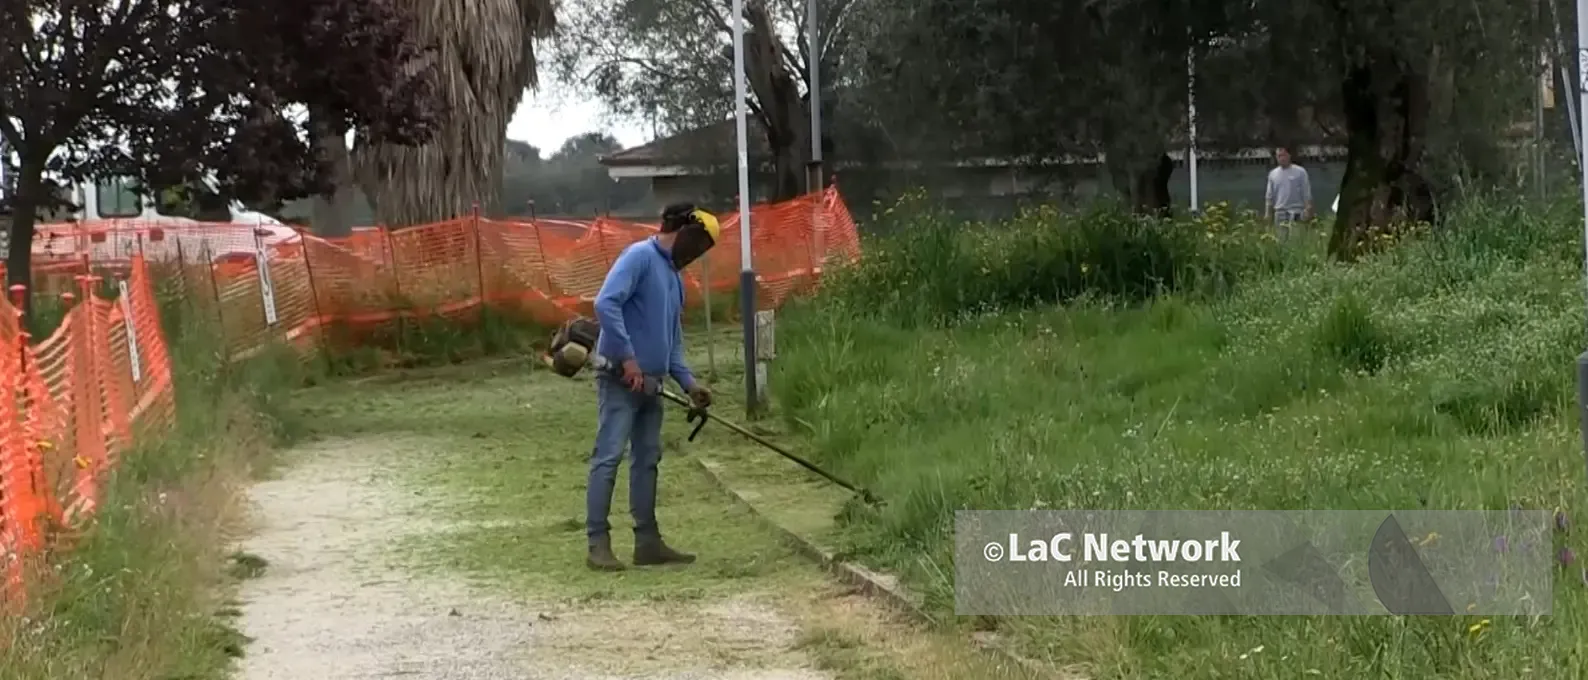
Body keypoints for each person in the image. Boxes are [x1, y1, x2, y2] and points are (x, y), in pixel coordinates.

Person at [584, 202, 719, 572]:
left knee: (647, 461)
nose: (698, 254)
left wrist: (690, 385)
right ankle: (598, 542)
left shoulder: (674, 278)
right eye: (699, 244)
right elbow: (605, 304)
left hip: (652, 387)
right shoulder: (639, 257)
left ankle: (647, 542)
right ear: (685, 232)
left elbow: (671, 343)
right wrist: (628, 359)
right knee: (608, 457)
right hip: (619, 380)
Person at [1263, 146, 1313, 240]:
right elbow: (1269, 197)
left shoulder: (1300, 172)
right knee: (1280, 241)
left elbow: (1306, 192)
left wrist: (1308, 209)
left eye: (1283, 155)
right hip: (1280, 212)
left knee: (1296, 241)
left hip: (1296, 211)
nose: (1281, 158)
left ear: (1289, 156)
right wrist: (1268, 214)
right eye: (1279, 156)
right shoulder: (1273, 174)